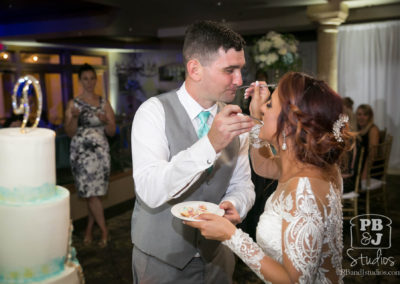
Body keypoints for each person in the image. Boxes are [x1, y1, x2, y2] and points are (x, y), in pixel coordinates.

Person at [186, 72, 353, 283]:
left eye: (270, 105)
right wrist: (256, 113)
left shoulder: (305, 189)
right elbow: (263, 165)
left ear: (290, 123)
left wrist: (231, 236)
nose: (264, 108)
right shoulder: (312, 165)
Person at [130, 20, 255, 284]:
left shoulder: (235, 120)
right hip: (161, 263)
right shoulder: (153, 113)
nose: (240, 80)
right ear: (195, 69)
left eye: (241, 69)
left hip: (218, 260)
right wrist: (211, 144)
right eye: (230, 70)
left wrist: (236, 205)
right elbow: (150, 191)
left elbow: (243, 184)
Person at [64, 63, 116, 247]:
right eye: (85, 79)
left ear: (96, 79)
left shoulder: (104, 102)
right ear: (80, 81)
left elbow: (112, 132)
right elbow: (69, 132)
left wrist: (106, 121)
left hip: (101, 154)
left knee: (95, 195)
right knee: (90, 194)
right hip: (81, 155)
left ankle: (88, 229)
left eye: (92, 78)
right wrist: (75, 118)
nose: (89, 82)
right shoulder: (74, 104)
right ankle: (104, 231)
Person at [355, 104, 380, 180]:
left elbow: (372, 154)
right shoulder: (357, 128)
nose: (361, 117)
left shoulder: (373, 130)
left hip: (370, 168)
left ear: (370, 117)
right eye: (359, 114)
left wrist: (364, 174)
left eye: (365, 115)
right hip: (359, 165)